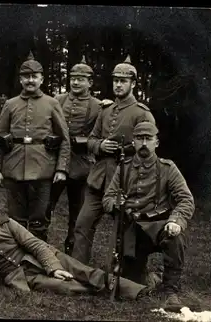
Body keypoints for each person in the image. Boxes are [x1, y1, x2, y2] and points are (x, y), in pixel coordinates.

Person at [0, 198, 150, 300]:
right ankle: (110, 291)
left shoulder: (9, 224)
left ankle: (136, 290)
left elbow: (35, 245)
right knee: (67, 287)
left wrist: (54, 267)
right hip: (25, 277)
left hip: (46, 256)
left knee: (86, 273)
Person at [71, 55, 156, 265]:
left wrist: (125, 149)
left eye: (123, 81)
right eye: (116, 80)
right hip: (98, 178)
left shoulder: (142, 113)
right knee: (82, 224)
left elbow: (148, 150)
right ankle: (78, 270)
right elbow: (91, 139)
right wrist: (99, 146)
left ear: (133, 84)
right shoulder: (106, 110)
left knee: (121, 230)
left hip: (125, 180)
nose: (118, 85)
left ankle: (116, 272)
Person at [102, 121, 194, 308]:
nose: (143, 143)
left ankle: (170, 290)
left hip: (158, 225)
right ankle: (151, 278)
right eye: (139, 139)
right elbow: (107, 198)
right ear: (133, 142)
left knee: (175, 238)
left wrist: (176, 220)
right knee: (129, 285)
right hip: (132, 229)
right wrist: (115, 204)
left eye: (148, 139)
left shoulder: (168, 168)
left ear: (156, 142)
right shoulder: (124, 167)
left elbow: (186, 199)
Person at [0, 51, 70, 241]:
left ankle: (38, 261)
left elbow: (64, 139)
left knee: (39, 220)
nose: (30, 81)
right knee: (15, 220)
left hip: (43, 169)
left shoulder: (51, 104)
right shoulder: (10, 105)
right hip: (14, 168)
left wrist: (61, 169)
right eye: (26, 77)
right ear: (20, 80)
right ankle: (16, 260)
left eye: (34, 76)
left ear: (42, 79)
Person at [47, 55, 102, 254]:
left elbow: (101, 134)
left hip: (82, 164)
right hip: (55, 162)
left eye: (81, 79)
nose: (76, 82)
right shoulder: (56, 100)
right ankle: (40, 245)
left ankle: (72, 250)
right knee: (47, 205)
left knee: (77, 212)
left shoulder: (98, 106)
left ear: (90, 82)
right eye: (73, 78)